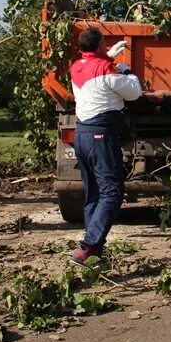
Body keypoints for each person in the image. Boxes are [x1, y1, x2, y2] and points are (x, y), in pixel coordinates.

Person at [69, 28, 142, 265]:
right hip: (101, 135)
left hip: (82, 135)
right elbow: (134, 92)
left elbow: (93, 67)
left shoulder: (76, 66)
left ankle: (94, 250)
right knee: (111, 192)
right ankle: (88, 247)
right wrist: (126, 69)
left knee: (94, 194)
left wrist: (107, 55)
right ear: (99, 44)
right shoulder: (107, 70)